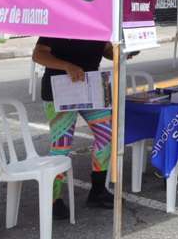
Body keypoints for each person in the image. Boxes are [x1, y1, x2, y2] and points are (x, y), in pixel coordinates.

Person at [32, 37, 116, 219]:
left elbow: (107, 50)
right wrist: (67, 66)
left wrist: (123, 51)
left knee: (108, 135)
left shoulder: (99, 22)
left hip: (91, 85)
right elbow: (38, 54)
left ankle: (98, 191)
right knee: (61, 145)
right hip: (59, 90)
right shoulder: (62, 18)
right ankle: (53, 199)